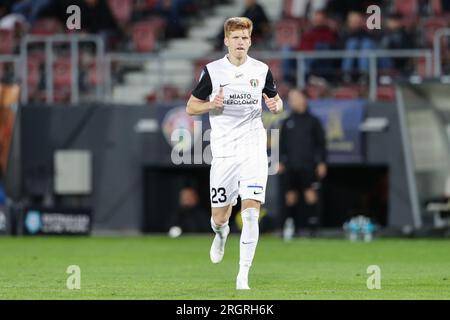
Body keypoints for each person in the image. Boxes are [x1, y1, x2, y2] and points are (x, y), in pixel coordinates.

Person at [186, 17, 283, 290]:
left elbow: (275, 99)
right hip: (224, 152)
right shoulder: (213, 71)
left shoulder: (262, 70)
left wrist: (276, 105)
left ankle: (243, 277)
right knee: (220, 217)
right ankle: (220, 234)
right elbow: (191, 107)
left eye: (245, 38)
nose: (240, 42)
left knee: (251, 213)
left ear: (250, 41)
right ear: (226, 41)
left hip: (253, 148)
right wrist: (210, 105)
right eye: (235, 38)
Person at [278, 88, 327, 237]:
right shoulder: (287, 122)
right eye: (291, 98)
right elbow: (282, 144)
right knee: (290, 197)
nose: (293, 101)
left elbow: (321, 144)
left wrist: (321, 162)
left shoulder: (313, 121)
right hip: (291, 165)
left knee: (310, 195)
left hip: (308, 165)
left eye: (296, 97)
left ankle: (313, 228)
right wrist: (279, 161)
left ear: (304, 99)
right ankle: (291, 226)